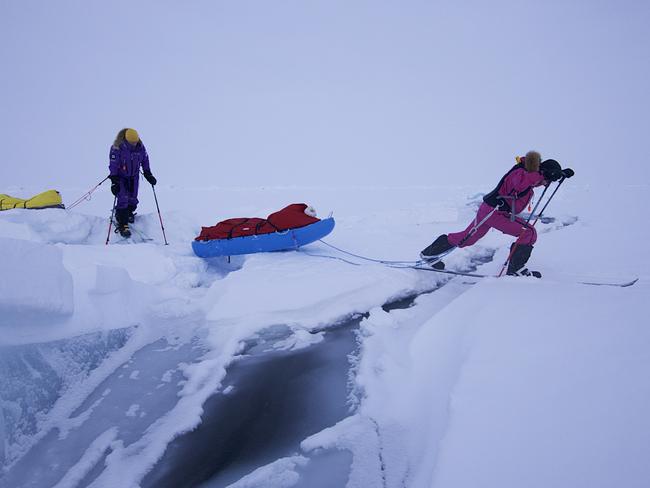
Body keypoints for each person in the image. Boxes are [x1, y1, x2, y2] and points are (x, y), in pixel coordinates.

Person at [420, 151, 572, 277]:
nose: (545, 183)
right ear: (542, 172)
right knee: (529, 234)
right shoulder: (521, 173)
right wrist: (546, 175)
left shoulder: (529, 174)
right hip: (495, 212)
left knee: (467, 239)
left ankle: (429, 254)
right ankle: (515, 270)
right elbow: (521, 183)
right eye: (547, 179)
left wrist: (561, 174)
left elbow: (533, 181)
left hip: (489, 210)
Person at [108, 128, 157, 238]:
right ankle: (122, 223)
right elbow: (113, 164)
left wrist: (148, 174)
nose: (134, 144)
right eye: (132, 142)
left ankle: (128, 213)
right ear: (126, 140)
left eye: (135, 141)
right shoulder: (117, 147)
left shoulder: (140, 147)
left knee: (133, 198)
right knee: (123, 198)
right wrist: (114, 180)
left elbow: (145, 160)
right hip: (121, 177)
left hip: (134, 176)